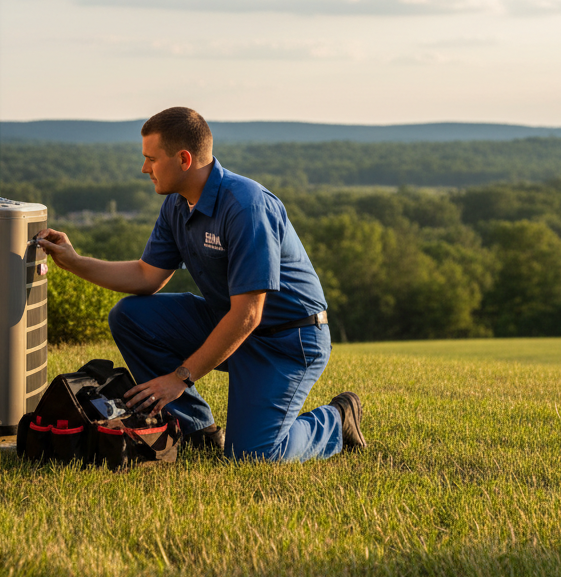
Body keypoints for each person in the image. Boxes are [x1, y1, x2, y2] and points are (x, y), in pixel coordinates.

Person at [37, 107, 365, 461]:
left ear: (184, 159)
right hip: (231, 323)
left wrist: (180, 378)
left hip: (287, 340)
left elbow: (249, 315)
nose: (144, 169)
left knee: (254, 455)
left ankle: (336, 420)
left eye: (151, 159)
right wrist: (74, 261)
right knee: (130, 316)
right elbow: (147, 277)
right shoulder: (177, 205)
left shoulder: (246, 206)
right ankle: (197, 429)